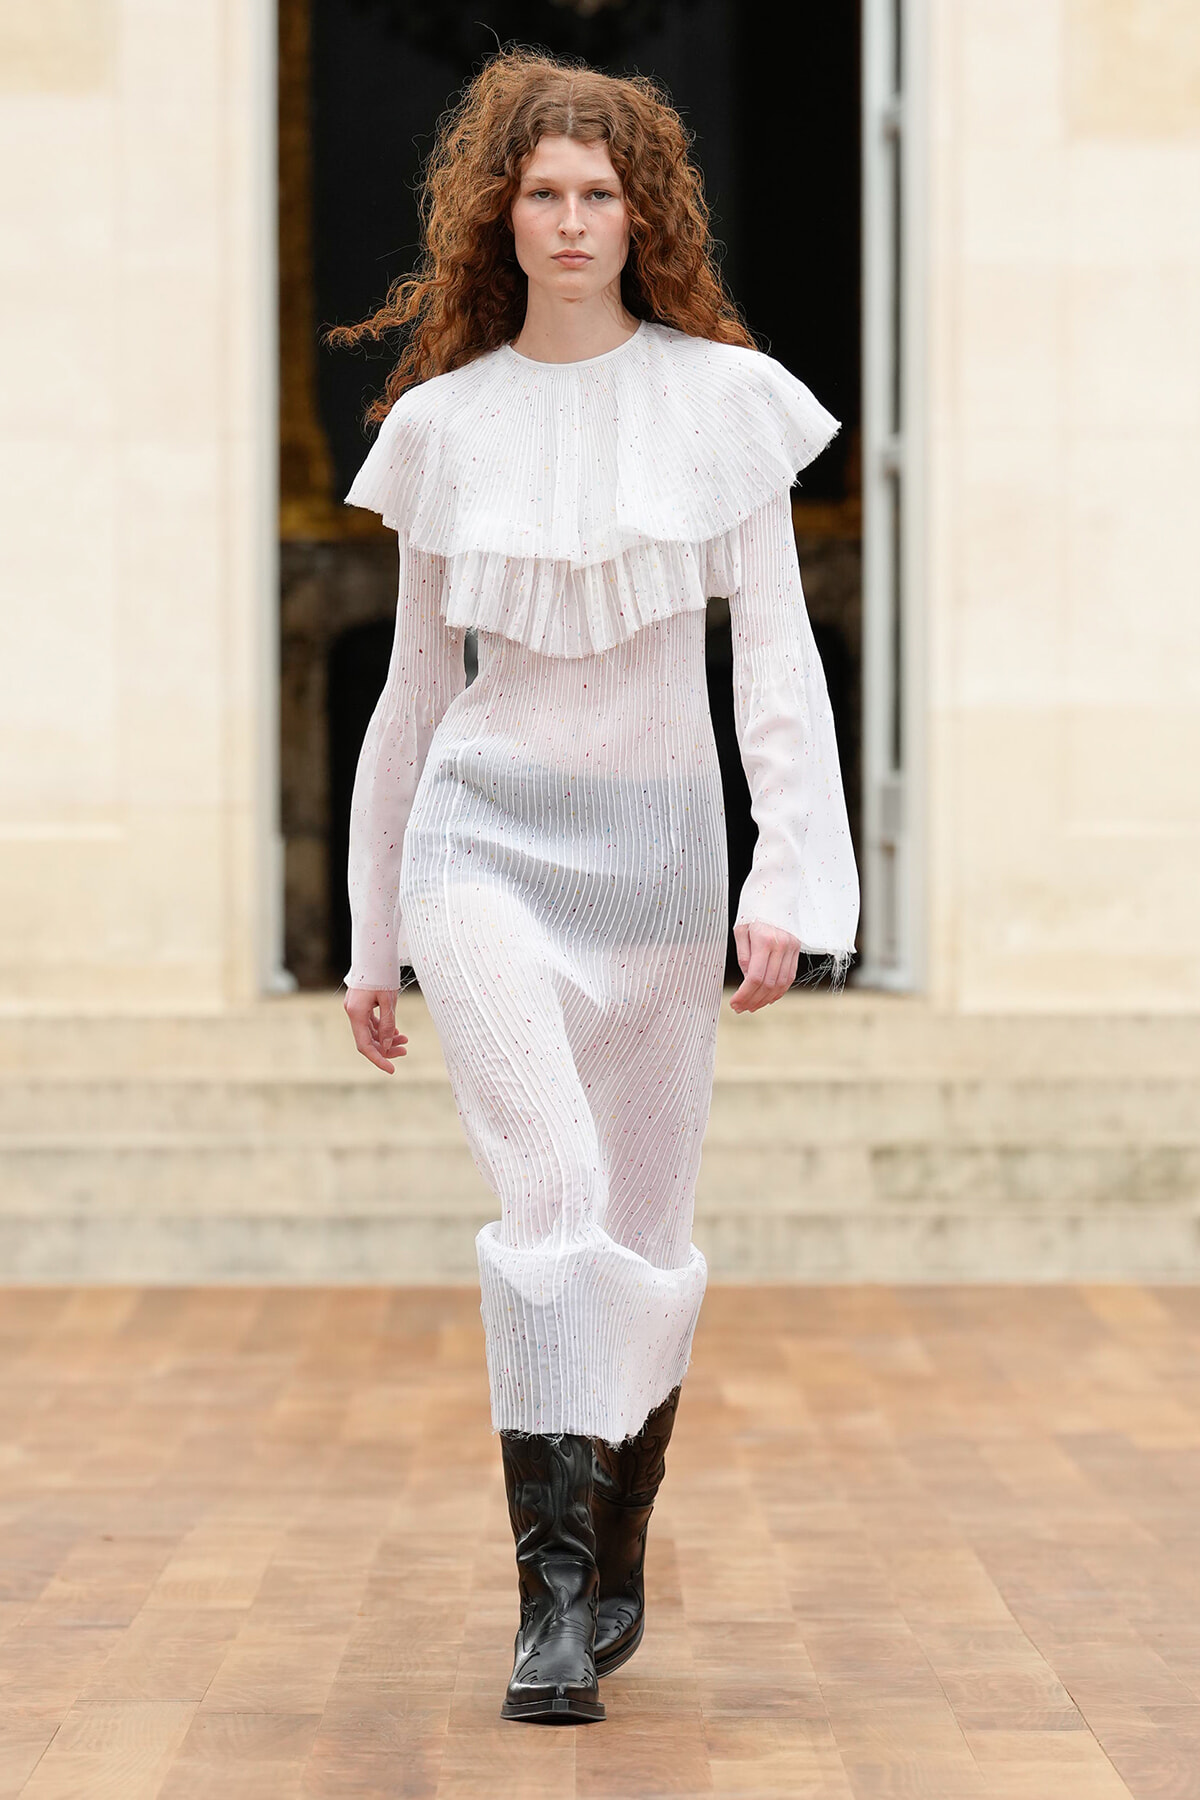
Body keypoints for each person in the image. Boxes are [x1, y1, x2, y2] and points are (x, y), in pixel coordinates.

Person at [332, 47, 859, 1725]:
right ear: (504, 211)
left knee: (642, 1225)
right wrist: (370, 933)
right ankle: (550, 1605)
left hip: (661, 858)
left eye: (598, 195)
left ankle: (615, 1539)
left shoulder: (723, 402)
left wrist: (795, 878)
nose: (571, 222)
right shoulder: (443, 425)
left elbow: (776, 661)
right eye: (543, 194)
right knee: (550, 1188)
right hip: (479, 844)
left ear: (643, 215)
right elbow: (414, 692)